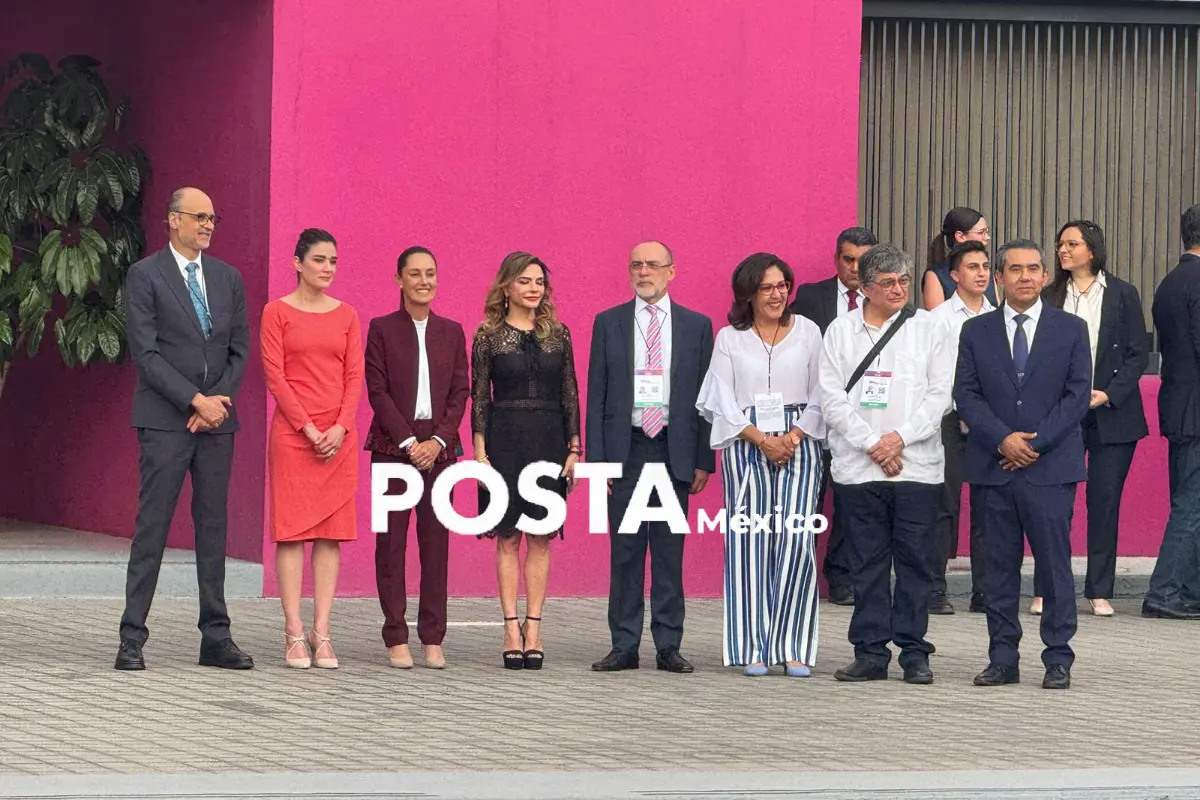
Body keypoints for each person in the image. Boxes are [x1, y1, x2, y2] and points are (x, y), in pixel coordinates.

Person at [116, 187, 252, 671]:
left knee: (213, 527)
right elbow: (146, 354)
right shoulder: (145, 275)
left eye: (213, 217)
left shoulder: (227, 278)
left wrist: (215, 402)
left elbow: (239, 350)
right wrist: (194, 400)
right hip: (165, 421)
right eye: (200, 217)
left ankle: (216, 637)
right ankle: (132, 637)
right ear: (173, 220)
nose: (208, 225)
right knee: (152, 527)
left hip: (217, 422)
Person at [955, 239, 1091, 690]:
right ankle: (1002, 658)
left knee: (1054, 567)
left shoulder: (1070, 329)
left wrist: (1034, 444)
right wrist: (1002, 441)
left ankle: (1057, 658)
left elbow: (1076, 396)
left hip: (1050, 469)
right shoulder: (976, 332)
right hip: (994, 468)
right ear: (1000, 278)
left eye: (1034, 268)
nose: (1026, 276)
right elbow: (967, 395)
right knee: (997, 570)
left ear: (1045, 276)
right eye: (1015, 269)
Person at [819, 244, 953, 685]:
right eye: (888, 282)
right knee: (867, 563)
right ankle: (870, 651)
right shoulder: (840, 331)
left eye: (903, 281)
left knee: (916, 563)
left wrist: (898, 439)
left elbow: (941, 396)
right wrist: (872, 442)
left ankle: (915, 652)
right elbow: (831, 398)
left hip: (916, 467)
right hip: (859, 469)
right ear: (864, 287)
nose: (898, 289)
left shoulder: (929, 328)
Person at [587, 241, 715, 675]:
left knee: (668, 553)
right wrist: (599, 461)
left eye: (652, 265)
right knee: (624, 553)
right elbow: (597, 395)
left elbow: (705, 399)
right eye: (636, 264)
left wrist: (703, 459)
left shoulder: (698, 327)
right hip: (628, 448)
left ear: (672, 272)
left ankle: (668, 645)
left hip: (673, 450)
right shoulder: (608, 323)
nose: (644, 272)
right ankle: (623, 645)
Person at [697, 253, 825, 677]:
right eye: (767, 287)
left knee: (796, 543)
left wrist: (792, 437)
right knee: (749, 544)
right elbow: (720, 398)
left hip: (799, 440)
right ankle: (751, 645)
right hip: (746, 440)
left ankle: (794, 647)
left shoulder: (808, 331)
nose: (777, 294)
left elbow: (823, 392)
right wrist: (761, 440)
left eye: (782, 286)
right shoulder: (729, 339)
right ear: (749, 293)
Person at [471, 252, 581, 669]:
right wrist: (480, 456)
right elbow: (480, 397)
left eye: (539, 281)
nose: (534, 288)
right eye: (525, 281)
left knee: (541, 535)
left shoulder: (559, 334)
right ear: (507, 287)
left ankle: (534, 627)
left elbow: (570, 392)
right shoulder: (488, 335)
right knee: (508, 536)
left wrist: (574, 449)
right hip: (505, 440)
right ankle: (509, 626)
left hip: (550, 440)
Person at [260, 228, 364, 670]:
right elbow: (275, 375)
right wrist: (306, 427)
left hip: (338, 439)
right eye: (319, 260)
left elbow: (354, 376)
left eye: (333, 261)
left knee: (329, 535)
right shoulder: (276, 312)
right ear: (297, 262)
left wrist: (340, 427)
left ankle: (323, 632)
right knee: (291, 533)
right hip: (293, 436)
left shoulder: (347, 315)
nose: (328, 269)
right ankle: (293, 631)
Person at [1036, 220, 1149, 617]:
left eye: (1071, 243)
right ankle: (1046, 586)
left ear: (1092, 249)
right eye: (1059, 243)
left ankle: (1099, 589)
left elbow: (1138, 353)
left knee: (1104, 502)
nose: (1063, 250)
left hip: (1112, 413)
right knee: (1051, 503)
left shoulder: (1122, 293)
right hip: (1060, 414)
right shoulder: (1049, 296)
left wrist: (1108, 393)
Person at [365, 246, 470, 668]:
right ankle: (395, 635)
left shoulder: (452, 331)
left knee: (435, 545)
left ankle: (432, 636)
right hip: (393, 449)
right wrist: (409, 442)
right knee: (390, 544)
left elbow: (461, 392)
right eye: (415, 274)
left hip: (440, 451)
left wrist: (438, 442)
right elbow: (378, 391)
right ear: (399, 279)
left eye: (430, 273)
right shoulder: (382, 328)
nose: (424, 281)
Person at [789, 226, 878, 606]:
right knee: (805, 499)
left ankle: (841, 577)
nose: (856, 267)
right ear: (836, 259)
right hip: (813, 414)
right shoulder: (811, 296)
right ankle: (798, 575)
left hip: (862, 418)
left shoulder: (886, 299)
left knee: (851, 500)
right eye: (849, 259)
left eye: (864, 260)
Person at [927, 241, 995, 615]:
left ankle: (984, 590)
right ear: (955, 275)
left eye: (985, 266)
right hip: (948, 420)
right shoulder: (937, 320)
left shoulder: (998, 315)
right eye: (973, 266)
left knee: (988, 505)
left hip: (987, 421)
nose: (981, 273)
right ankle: (934, 587)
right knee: (944, 503)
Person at [1143, 204, 1200, 620]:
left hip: (1178, 406)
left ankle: (1187, 590)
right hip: (1196, 410)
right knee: (1191, 503)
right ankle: (1164, 591)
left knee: (1190, 498)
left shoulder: (1170, 282)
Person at [922, 207, 998, 310]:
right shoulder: (936, 275)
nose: (987, 237)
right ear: (960, 236)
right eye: (981, 232)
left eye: (985, 266)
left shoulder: (986, 272)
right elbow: (936, 320)